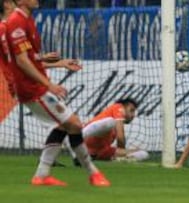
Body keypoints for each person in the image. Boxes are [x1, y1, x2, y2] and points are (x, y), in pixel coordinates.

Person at [5, 0, 110, 186]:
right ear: (19, 1)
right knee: (74, 124)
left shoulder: (27, 20)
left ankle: (43, 175)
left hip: (34, 85)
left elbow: (30, 59)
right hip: (31, 88)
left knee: (64, 126)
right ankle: (92, 173)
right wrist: (49, 84)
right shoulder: (16, 23)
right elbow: (21, 61)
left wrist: (58, 63)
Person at [68, 98, 149, 166]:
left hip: (100, 151)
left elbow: (117, 141)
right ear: (123, 108)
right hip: (86, 140)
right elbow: (120, 137)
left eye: (134, 112)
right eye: (131, 110)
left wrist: (128, 152)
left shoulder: (114, 129)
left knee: (144, 154)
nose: (133, 115)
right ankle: (76, 139)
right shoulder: (118, 107)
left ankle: (119, 160)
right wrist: (123, 152)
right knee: (111, 122)